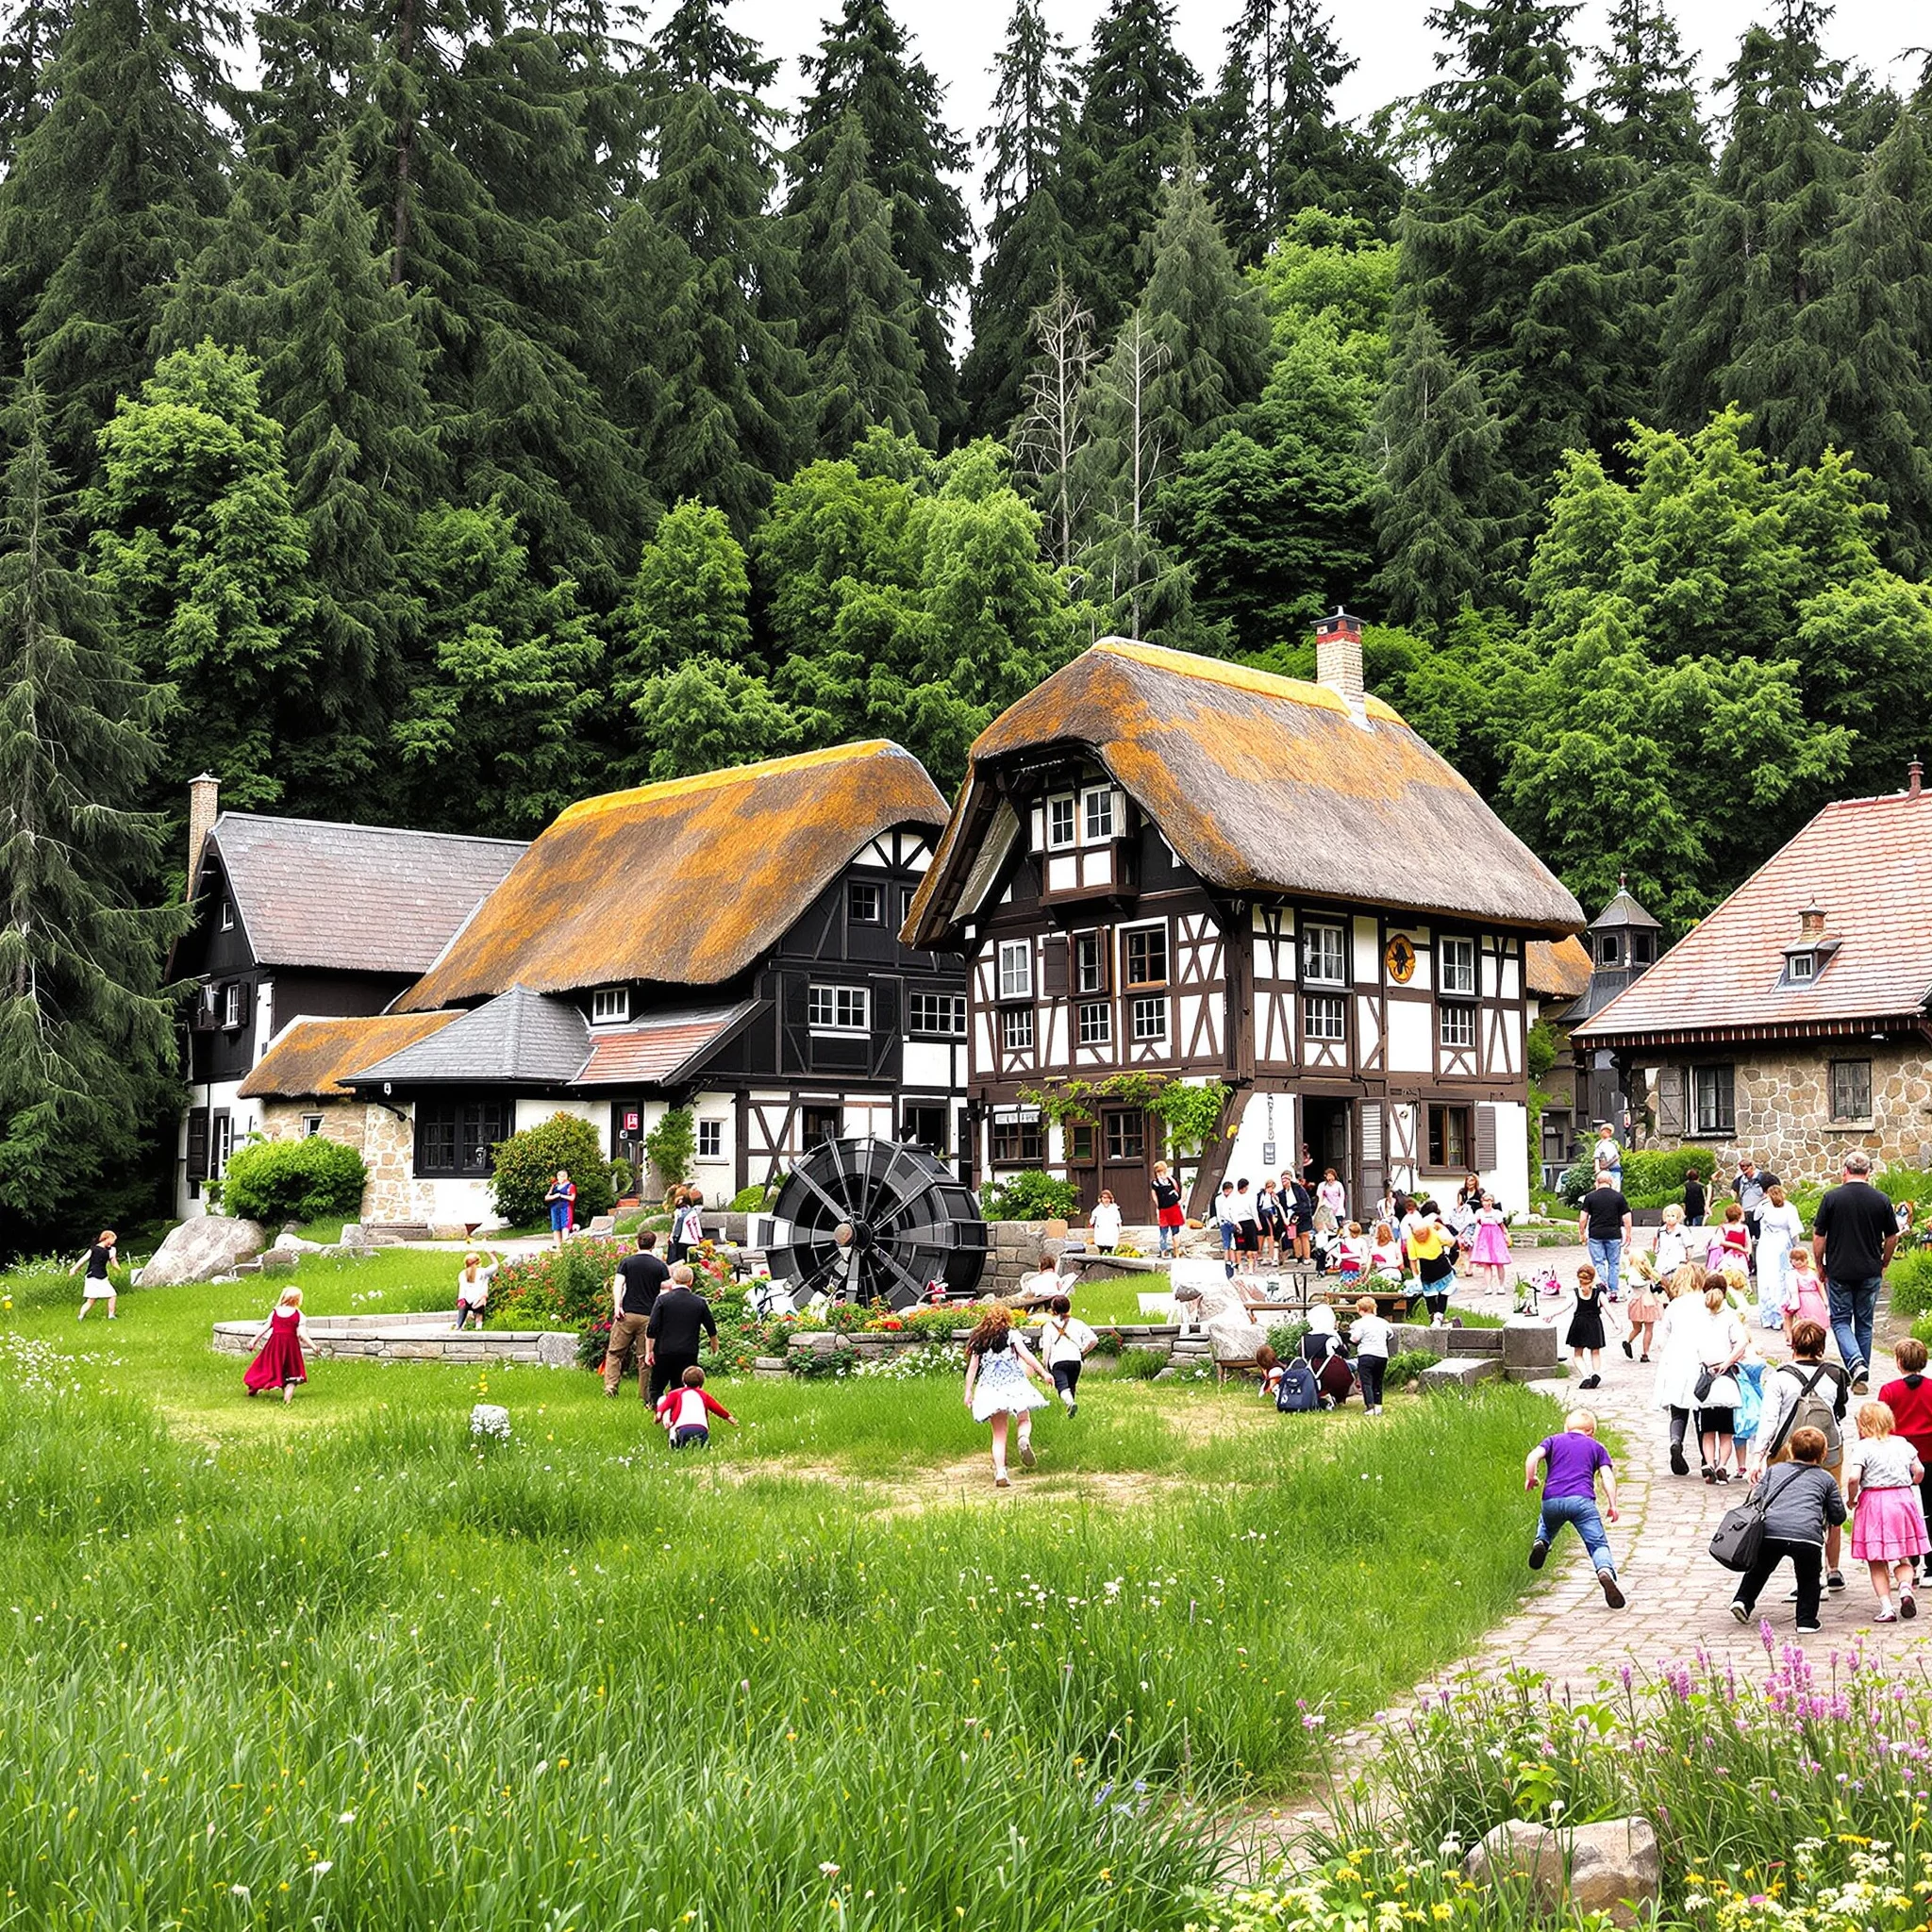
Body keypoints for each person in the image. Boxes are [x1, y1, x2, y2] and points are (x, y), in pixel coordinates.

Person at [1753, 1318, 1851, 1593]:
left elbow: (1769, 1421)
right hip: (1829, 1448)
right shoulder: (1835, 1374)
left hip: (1788, 1452)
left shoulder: (1780, 1377)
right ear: (1821, 1345)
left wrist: (1757, 1456)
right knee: (1831, 1507)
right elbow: (1839, 1412)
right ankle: (1833, 1569)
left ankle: (1809, 1577)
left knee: (1799, 1509)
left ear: (1792, 1344)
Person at [1726, 1426, 1845, 1634]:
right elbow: (1838, 1514)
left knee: (1759, 1569)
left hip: (1772, 1532)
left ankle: (1743, 1601)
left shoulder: (1774, 1471)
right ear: (1823, 1454)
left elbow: (1757, 1498)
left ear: (1790, 1449)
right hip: (1807, 1536)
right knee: (1809, 1578)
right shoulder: (1826, 1479)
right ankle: (1806, 1620)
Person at [1812, 1152, 1900, 1393]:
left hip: (1839, 1269)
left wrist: (1819, 1264)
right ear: (1868, 1172)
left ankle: (1856, 1363)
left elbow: (1819, 1236)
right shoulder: (1881, 1199)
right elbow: (1891, 1236)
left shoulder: (1831, 1198)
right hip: (1870, 1269)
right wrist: (1885, 1261)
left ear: (1845, 1171)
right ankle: (1861, 1378)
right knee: (1864, 1323)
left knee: (1840, 1321)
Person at [1524, 1409, 1625, 1609]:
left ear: (1566, 1428)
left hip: (1552, 1500)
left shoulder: (1553, 1440)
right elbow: (1607, 1477)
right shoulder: (1596, 1447)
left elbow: (1533, 1456)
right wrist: (1613, 1504)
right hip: (1582, 1502)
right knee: (1597, 1544)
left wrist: (1531, 1477)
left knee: (1546, 1523)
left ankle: (1541, 1542)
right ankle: (1604, 1570)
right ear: (1591, 1432)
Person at [1846, 1400, 1928, 1622]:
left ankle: (1886, 1608)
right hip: (1902, 1499)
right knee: (1903, 1557)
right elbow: (1919, 1470)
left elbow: (1854, 1477)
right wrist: (1913, 1482)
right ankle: (1904, 1588)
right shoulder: (1902, 1443)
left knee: (1876, 1559)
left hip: (1874, 1501)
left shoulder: (1863, 1447)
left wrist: (1851, 1498)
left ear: (1862, 1425)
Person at [962, 1304, 1053, 1488]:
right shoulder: (1012, 1335)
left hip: (990, 1387)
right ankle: (1023, 1438)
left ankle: (1001, 1472)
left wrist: (968, 1392)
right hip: (1013, 1383)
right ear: (1006, 1319)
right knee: (1024, 1418)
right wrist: (1043, 1373)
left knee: (999, 1434)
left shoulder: (979, 1339)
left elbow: (972, 1368)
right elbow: (1027, 1356)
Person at [1652, 1265, 1715, 1476]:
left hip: (1676, 1357)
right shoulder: (1708, 1302)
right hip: (1700, 1357)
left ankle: (1675, 1441)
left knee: (1678, 1409)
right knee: (1703, 1410)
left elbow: (1662, 1339)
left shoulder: (1675, 1305)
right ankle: (1707, 1459)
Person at [1881, 1338, 1932, 1584]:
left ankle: (1908, 1561)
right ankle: (1931, 1567)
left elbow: (1881, 1425)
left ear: (1898, 1362)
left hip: (1899, 1458)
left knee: (1903, 1510)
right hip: (1930, 1454)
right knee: (1931, 1510)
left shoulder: (1889, 1390)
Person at [1687, 1279, 1748, 1482]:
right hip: (1726, 1380)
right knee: (1726, 1432)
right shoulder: (1730, 1318)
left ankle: (1709, 1464)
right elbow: (1742, 1342)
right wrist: (1729, 1361)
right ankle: (1722, 1465)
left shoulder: (1697, 1318)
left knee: (1707, 1431)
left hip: (1706, 1380)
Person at [603, 1232, 670, 1397]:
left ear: (637, 1243)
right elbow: (668, 1286)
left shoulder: (627, 1262)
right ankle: (644, 1394)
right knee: (645, 1357)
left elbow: (618, 1284)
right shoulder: (659, 1266)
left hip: (626, 1314)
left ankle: (611, 1387)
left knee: (615, 1353)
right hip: (649, 1316)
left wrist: (617, 1306)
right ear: (654, 1245)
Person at [644, 1263, 717, 1402]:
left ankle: (657, 1410)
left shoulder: (662, 1300)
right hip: (688, 1351)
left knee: (657, 1386)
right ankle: (677, 1410)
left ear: (674, 1279)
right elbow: (711, 1328)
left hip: (664, 1350)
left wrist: (650, 1351)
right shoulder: (699, 1302)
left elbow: (652, 1328)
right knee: (681, 1386)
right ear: (691, 1281)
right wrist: (714, 1347)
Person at [242, 1285, 309, 1404]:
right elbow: (302, 1335)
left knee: (267, 1366)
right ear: (298, 1300)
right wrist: (314, 1347)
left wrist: (254, 1341)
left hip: (274, 1346)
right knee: (290, 1371)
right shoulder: (299, 1315)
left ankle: (254, 1387)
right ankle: (287, 1400)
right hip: (291, 1347)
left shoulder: (275, 1312)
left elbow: (265, 1328)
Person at [1576, 1170, 1633, 1303]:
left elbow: (1583, 1218)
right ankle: (1614, 1291)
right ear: (1611, 1182)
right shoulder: (1618, 1197)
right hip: (1614, 1234)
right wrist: (1628, 1233)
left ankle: (1603, 1288)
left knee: (1598, 1262)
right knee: (1614, 1263)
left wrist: (1582, 1233)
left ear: (1597, 1182)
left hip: (1595, 1234)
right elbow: (1627, 1216)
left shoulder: (1590, 1197)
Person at [1754, 1182, 1804, 1330]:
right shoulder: (1789, 1208)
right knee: (1780, 1280)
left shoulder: (1764, 1207)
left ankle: (1767, 1316)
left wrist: (1763, 1201)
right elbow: (1795, 1231)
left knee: (1765, 1280)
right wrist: (1796, 1246)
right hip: (1781, 1245)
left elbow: (1755, 1217)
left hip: (1766, 1245)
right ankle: (1779, 1315)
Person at [1039, 1293, 1098, 1415]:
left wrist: (1045, 1365)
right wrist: (1083, 1352)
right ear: (1069, 1307)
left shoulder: (1048, 1326)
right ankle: (1071, 1411)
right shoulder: (1078, 1323)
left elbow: (1047, 1347)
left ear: (1053, 1310)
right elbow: (1094, 1340)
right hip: (1075, 1361)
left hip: (1058, 1361)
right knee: (1071, 1386)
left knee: (1062, 1387)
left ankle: (1070, 1404)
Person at [656, 1364, 736, 1450]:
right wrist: (728, 1417)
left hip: (682, 1428)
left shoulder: (675, 1393)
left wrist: (659, 1414)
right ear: (702, 1383)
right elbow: (717, 1408)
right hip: (701, 1428)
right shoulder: (704, 1395)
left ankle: (675, 1443)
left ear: (683, 1381)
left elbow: (664, 1405)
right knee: (702, 1447)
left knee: (681, 1447)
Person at [1407, 1201, 1456, 1322]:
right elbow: (1412, 1259)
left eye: (1423, 1234)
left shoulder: (1433, 1232)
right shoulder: (1411, 1240)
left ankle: (1440, 1314)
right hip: (1425, 1266)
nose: (1421, 1237)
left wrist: (1441, 1227)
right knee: (1429, 1293)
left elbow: (1451, 1241)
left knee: (1445, 1290)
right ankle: (1433, 1317)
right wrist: (1415, 1275)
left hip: (1440, 1264)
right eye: (1418, 1235)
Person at [1565, 1262, 1609, 1389]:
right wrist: (1617, 1322)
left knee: (1577, 1354)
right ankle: (1596, 1372)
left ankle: (1585, 1376)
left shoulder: (1574, 1293)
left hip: (1579, 1324)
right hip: (1594, 1324)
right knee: (1595, 1352)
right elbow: (1608, 1308)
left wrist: (1551, 1315)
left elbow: (1563, 1307)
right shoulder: (1598, 1293)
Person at [1300, 1306, 1355, 1408]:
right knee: (1355, 1364)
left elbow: (1303, 1355)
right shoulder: (1332, 1337)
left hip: (1310, 1371)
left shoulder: (1305, 1338)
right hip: (1329, 1371)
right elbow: (1344, 1354)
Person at [1351, 1294, 1392, 1415]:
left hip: (1366, 1354)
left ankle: (1370, 1407)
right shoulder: (1382, 1322)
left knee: (1366, 1381)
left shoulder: (1361, 1323)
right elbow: (1390, 1334)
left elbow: (1355, 1338)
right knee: (1378, 1381)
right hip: (1382, 1355)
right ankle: (1378, 1407)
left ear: (1360, 1310)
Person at [1782, 1246, 1830, 1347]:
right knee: (1788, 1316)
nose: (1797, 1262)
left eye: (1800, 1259)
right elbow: (1792, 1290)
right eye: (1794, 1260)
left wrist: (1825, 1300)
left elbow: (1820, 1286)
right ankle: (1790, 1337)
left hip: (1813, 1298)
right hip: (1798, 1298)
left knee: (1814, 1320)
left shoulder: (1812, 1273)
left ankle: (1814, 1339)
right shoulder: (1792, 1274)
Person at [1623, 1254, 1662, 1362]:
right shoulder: (1648, 1274)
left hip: (1635, 1302)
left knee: (1637, 1328)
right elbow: (1650, 1287)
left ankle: (1628, 1341)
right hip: (1648, 1301)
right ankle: (1645, 1354)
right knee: (1649, 1329)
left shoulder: (1630, 1273)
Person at [71, 1229, 118, 1321]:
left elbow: (113, 1261)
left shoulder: (110, 1250)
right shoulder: (94, 1250)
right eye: (113, 1239)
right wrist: (74, 1269)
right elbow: (83, 1260)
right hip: (95, 1277)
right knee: (110, 1295)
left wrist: (118, 1268)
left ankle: (81, 1316)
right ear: (107, 1238)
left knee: (93, 1299)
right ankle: (110, 1315)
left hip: (99, 1276)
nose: (114, 1242)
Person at [1469, 1192, 1510, 1292]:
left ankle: (1501, 1285)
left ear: (1492, 1202)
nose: (1486, 1203)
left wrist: (1506, 1235)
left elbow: (1501, 1225)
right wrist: (1474, 1237)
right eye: (1484, 1200)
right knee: (1486, 1263)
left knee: (1499, 1262)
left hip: (1496, 1237)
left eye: (1489, 1200)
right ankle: (1488, 1286)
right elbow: (1476, 1224)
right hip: (1484, 1237)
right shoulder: (1479, 1212)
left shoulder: (1496, 1213)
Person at [453, 1250, 498, 1331]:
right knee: (479, 1321)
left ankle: (457, 1328)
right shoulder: (482, 1272)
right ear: (478, 1262)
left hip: (463, 1301)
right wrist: (491, 1255)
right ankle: (478, 1328)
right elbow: (496, 1266)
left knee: (459, 1324)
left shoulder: (462, 1274)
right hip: (478, 1301)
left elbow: (462, 1289)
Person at [1652, 1202, 1693, 1278]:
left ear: (1678, 1217)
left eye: (1673, 1216)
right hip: (1662, 1264)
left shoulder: (1683, 1230)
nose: (1670, 1218)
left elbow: (1689, 1246)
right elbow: (1656, 1244)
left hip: (1677, 1264)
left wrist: (1688, 1259)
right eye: (1668, 1216)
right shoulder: (1660, 1231)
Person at [1151, 1163, 1184, 1257]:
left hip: (1174, 1208)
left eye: (1162, 1171)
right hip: (1163, 1209)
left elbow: (1182, 1189)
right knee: (1163, 1231)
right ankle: (1163, 1251)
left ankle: (1176, 1251)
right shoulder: (1155, 1183)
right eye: (1158, 1171)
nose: (1160, 1173)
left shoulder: (1172, 1180)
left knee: (1175, 1231)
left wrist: (1181, 1201)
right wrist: (1158, 1206)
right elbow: (1154, 1195)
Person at [668, 1186, 706, 1265]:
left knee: (679, 1261)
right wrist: (699, 1238)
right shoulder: (692, 1213)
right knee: (690, 1261)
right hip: (690, 1240)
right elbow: (695, 1227)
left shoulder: (677, 1212)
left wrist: (672, 1237)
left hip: (679, 1240)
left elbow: (675, 1226)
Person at [1284, 1172, 1315, 1265]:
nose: (1284, 1181)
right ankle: (1298, 1256)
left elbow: (1305, 1202)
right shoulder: (1282, 1192)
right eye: (1283, 1179)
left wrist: (1299, 1212)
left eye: (1286, 1179)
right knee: (1294, 1236)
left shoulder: (1299, 1189)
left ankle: (1307, 1257)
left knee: (1304, 1235)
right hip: (1290, 1215)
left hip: (1302, 1214)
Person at [1232, 1178, 1261, 1275]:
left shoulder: (1234, 1198)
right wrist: (1258, 1223)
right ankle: (1250, 1268)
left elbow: (1232, 1212)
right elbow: (1254, 1211)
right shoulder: (1250, 1197)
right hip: (1249, 1223)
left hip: (1238, 1223)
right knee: (1250, 1246)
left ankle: (1240, 1267)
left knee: (1240, 1246)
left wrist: (1236, 1223)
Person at [544, 1169, 576, 1248]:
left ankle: (565, 1245)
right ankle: (558, 1246)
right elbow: (547, 1197)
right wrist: (554, 1196)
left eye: (562, 1176)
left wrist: (561, 1196)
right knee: (556, 1227)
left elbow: (572, 1198)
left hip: (565, 1208)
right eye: (559, 1175)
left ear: (566, 1176)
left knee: (565, 1226)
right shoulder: (554, 1186)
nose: (560, 1177)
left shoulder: (570, 1186)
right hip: (555, 1208)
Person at [1215, 1182, 1241, 1273]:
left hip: (1233, 1222)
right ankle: (1227, 1261)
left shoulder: (1233, 1198)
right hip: (1224, 1222)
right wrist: (1220, 1222)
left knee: (1233, 1242)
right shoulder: (1219, 1199)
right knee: (1226, 1242)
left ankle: (1233, 1261)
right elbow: (1219, 1212)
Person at [1090, 1189, 1123, 1256]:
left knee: (1111, 1248)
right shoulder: (1098, 1209)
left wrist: (1120, 1229)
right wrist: (1091, 1222)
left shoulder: (1114, 1209)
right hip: (1101, 1232)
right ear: (1101, 1199)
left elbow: (1118, 1220)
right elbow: (1093, 1218)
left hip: (1111, 1231)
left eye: (1108, 1198)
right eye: (1104, 1198)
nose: (1106, 1200)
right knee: (1101, 1247)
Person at [1591, 1124, 1623, 1188]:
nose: (1606, 1132)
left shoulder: (1614, 1142)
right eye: (1604, 1130)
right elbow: (1596, 1157)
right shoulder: (1599, 1144)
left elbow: (1618, 1155)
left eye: (1608, 1131)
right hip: (1603, 1170)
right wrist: (1597, 1170)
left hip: (1615, 1169)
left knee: (1615, 1187)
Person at [1316, 1167, 1347, 1231]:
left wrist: (1340, 1206)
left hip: (1338, 1206)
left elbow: (1342, 1196)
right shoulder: (1323, 1185)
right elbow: (1320, 1197)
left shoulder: (1338, 1185)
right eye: (1328, 1176)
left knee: (1339, 1223)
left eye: (1331, 1175)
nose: (1330, 1178)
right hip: (1328, 1207)